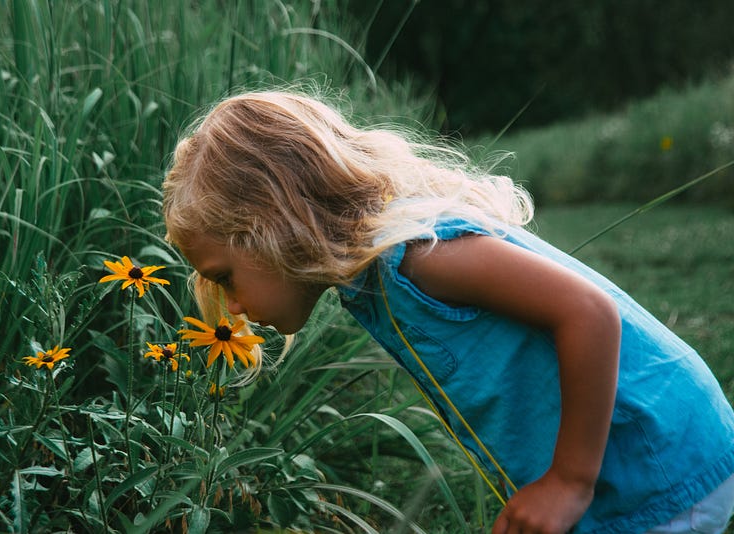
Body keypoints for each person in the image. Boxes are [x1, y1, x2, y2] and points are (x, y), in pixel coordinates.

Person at [161, 88, 734, 534]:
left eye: (225, 278)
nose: (231, 306)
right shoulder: (369, 279)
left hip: (659, 459)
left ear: (273, 231)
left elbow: (589, 313)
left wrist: (568, 482)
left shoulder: (419, 259)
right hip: (634, 466)